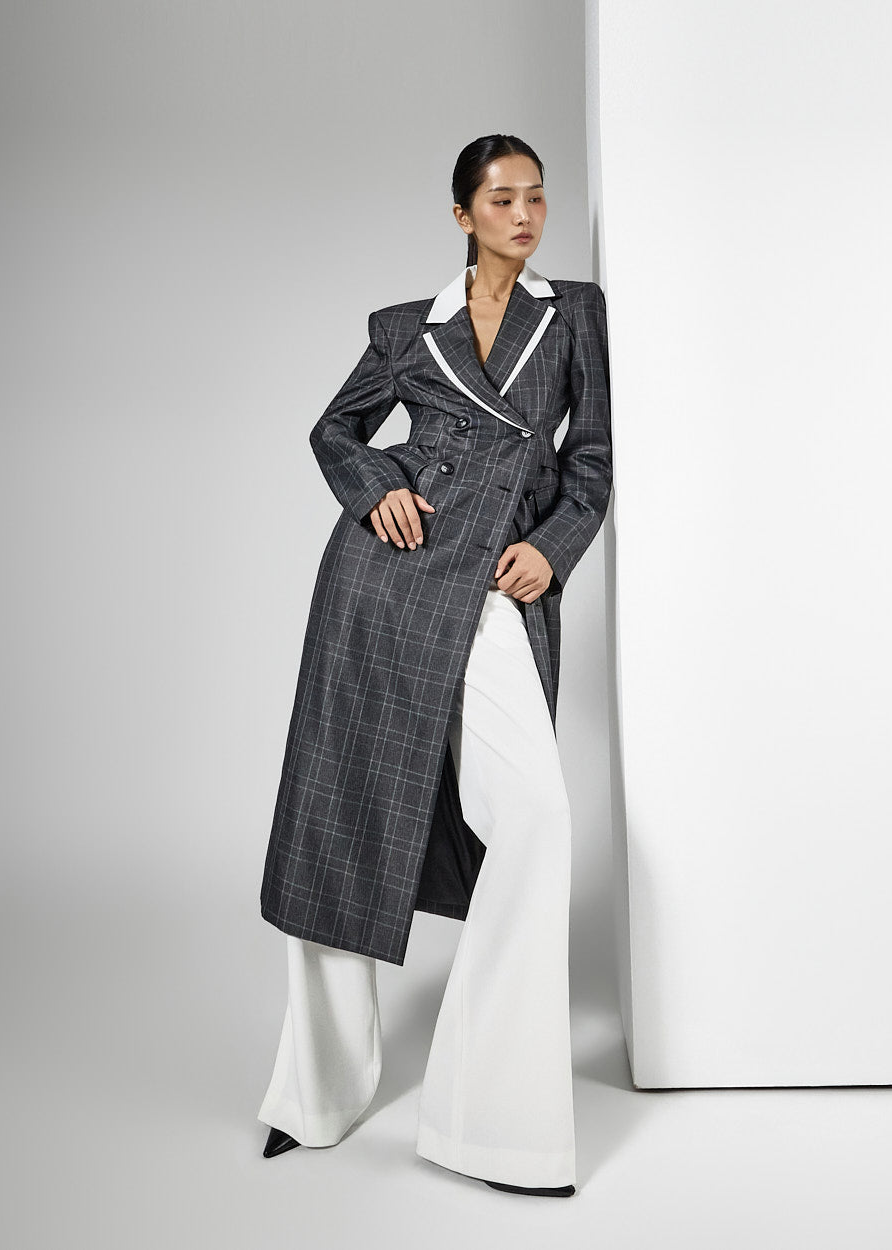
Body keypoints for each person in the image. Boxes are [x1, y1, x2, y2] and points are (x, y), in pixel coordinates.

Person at [256, 133, 612, 1197]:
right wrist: (377, 490)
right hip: (384, 580)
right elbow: (336, 431)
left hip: (498, 578)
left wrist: (552, 550)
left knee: (535, 817)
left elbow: (592, 461)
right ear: (462, 215)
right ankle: (312, 1096)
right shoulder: (406, 329)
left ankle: (491, 1117)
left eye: (535, 197)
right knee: (340, 816)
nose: (524, 214)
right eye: (501, 199)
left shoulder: (574, 314)